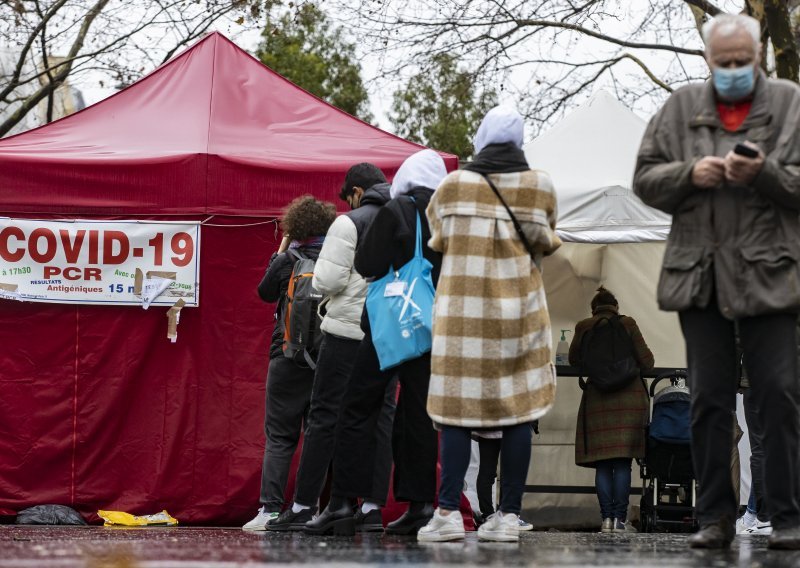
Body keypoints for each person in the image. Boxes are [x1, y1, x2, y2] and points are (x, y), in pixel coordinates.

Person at [633, 12, 800, 549]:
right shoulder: (681, 106)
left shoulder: (790, 102)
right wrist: (690, 174)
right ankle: (715, 519)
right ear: (708, 60)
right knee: (708, 399)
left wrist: (764, 173)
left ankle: (788, 516)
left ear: (759, 58)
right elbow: (644, 179)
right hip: (700, 274)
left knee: (779, 394)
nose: (732, 70)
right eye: (722, 62)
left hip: (769, 274)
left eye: (741, 62)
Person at [418, 106, 561, 543]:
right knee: (519, 411)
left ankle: (445, 514)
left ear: (480, 138)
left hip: (463, 315)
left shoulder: (453, 186)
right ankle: (508, 517)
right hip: (520, 313)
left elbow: (436, 237)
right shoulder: (539, 186)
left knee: (457, 412)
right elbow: (548, 239)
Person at [306, 149, 446, 536]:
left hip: (389, 324)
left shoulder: (397, 210)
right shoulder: (447, 216)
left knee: (358, 407)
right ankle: (419, 505)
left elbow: (367, 263)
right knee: (418, 414)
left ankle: (343, 503)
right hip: (428, 326)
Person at [266, 164, 398, 531]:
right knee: (378, 420)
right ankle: (370, 508)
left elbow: (326, 280)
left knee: (325, 418)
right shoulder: (403, 215)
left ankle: (306, 504)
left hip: (346, 332)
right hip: (387, 334)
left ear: (356, 191)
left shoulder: (348, 222)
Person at [243, 195, 337, 530]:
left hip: (284, 357)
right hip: (324, 359)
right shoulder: (335, 259)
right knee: (317, 434)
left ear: (295, 225)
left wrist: (276, 260)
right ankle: (307, 507)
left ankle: (269, 509)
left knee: (280, 437)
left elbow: (264, 293)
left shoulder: (287, 259)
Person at [568, 286, 654, 533]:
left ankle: (606, 519)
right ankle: (620, 520)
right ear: (616, 307)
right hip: (629, 402)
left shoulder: (584, 326)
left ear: (593, 309)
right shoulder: (627, 323)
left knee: (603, 464)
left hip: (598, 400)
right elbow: (647, 360)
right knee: (623, 463)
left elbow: (574, 360)